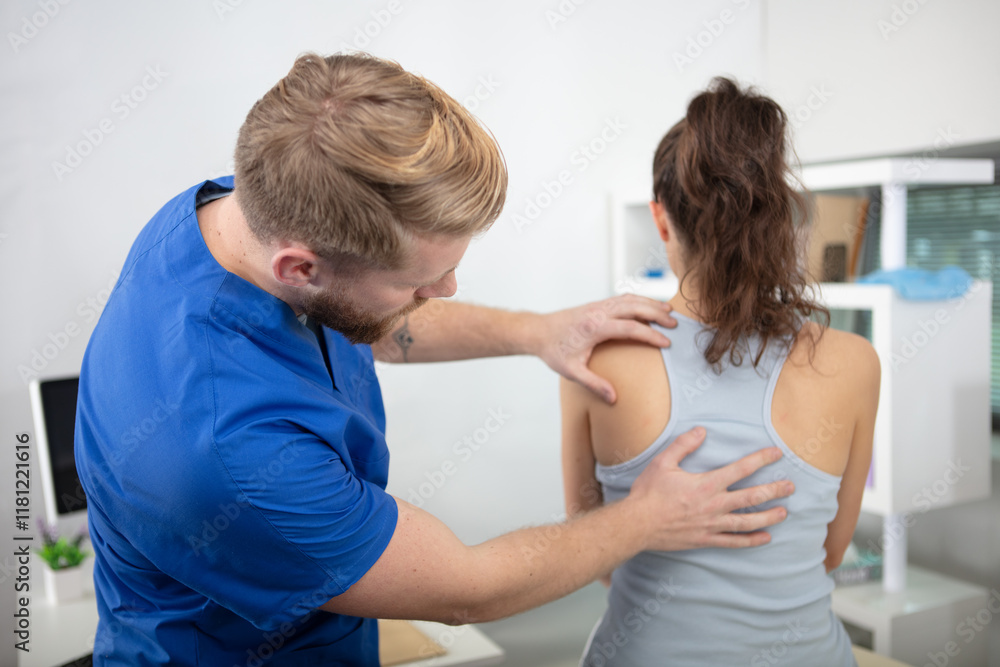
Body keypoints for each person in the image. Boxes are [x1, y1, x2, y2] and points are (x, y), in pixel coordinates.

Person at [75, 54, 794, 666]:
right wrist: (647, 518)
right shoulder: (226, 455)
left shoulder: (232, 215)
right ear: (300, 266)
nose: (444, 292)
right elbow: (468, 589)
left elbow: (368, 320)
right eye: (419, 283)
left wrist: (537, 331)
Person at [561, 77, 880, 666]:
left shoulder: (596, 355)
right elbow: (832, 553)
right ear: (776, 215)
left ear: (662, 221)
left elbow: (594, 553)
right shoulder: (855, 362)